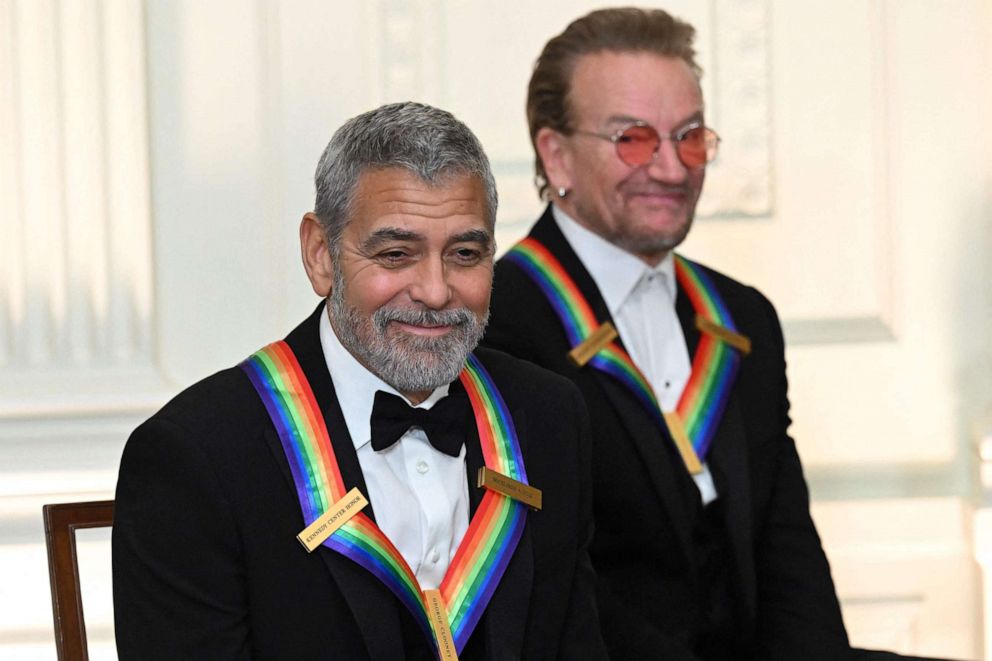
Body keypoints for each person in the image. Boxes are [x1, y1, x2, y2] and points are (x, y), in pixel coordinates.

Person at [483, 8, 952, 661]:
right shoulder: (496, 323)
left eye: (691, 136)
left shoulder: (742, 315)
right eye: (634, 139)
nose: (674, 170)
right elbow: (553, 586)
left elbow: (788, 559)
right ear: (555, 152)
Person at [113, 102, 606, 660]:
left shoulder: (548, 417)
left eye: (465, 254)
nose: (436, 292)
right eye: (396, 254)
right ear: (321, 256)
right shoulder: (198, 455)